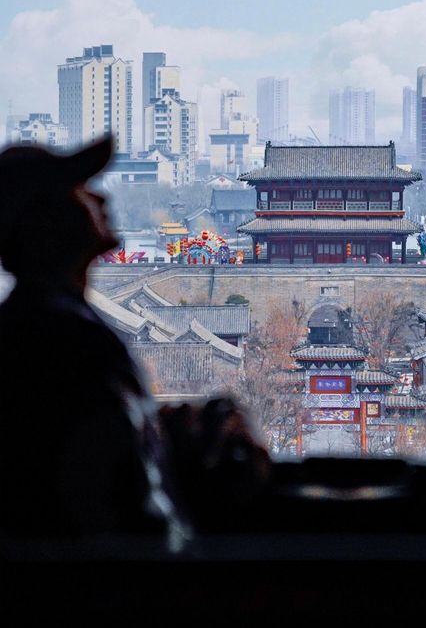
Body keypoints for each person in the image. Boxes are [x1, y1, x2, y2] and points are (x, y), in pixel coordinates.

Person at [0, 136, 268, 543]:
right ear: (43, 222)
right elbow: (110, 497)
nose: (101, 199)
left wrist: (163, 431)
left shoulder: (43, 323)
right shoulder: (66, 343)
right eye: (79, 190)